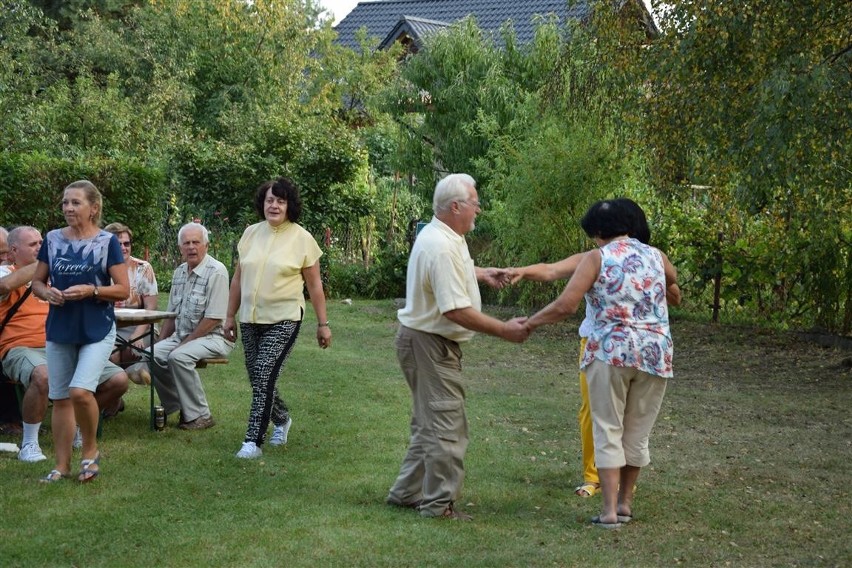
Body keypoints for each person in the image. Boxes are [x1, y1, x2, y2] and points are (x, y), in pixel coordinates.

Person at [524, 199, 681, 529]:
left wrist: (530, 323)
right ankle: (625, 504)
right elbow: (672, 279)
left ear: (597, 232)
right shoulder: (657, 255)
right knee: (636, 433)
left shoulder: (597, 258)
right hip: (654, 353)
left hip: (610, 352)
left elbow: (566, 304)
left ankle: (609, 512)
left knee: (608, 427)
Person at [386, 173, 529, 521]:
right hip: (430, 344)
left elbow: (453, 272)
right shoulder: (440, 245)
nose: (478, 210)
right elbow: (454, 309)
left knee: (429, 422)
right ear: (456, 206)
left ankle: (406, 493)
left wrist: (481, 274)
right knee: (447, 426)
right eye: (475, 204)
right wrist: (503, 330)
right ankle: (438, 506)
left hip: (422, 340)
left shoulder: (444, 235)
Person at [0, 226, 129, 463]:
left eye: (42, 242)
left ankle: (78, 422)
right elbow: (5, 286)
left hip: (62, 341)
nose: (41, 247)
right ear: (13, 251)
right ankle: (29, 443)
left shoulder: (54, 275)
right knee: (43, 375)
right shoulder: (6, 271)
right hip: (22, 347)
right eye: (34, 245)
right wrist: (44, 263)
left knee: (118, 380)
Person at [224, 177, 331, 459]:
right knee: (258, 377)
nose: (274, 205)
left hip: (284, 318)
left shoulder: (302, 238)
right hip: (250, 318)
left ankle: (252, 442)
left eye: (280, 201)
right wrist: (228, 316)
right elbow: (238, 278)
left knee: (263, 373)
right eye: (270, 200)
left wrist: (323, 324)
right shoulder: (250, 234)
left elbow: (315, 285)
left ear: (289, 205)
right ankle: (281, 419)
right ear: (263, 203)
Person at [31, 180, 130, 483]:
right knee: (60, 397)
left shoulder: (106, 242)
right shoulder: (52, 239)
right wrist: (46, 294)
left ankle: (90, 451)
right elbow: (37, 282)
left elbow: (123, 289)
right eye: (65, 202)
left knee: (79, 391)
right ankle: (61, 466)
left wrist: (92, 290)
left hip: (97, 327)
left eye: (75, 202)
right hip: (60, 327)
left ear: (94, 208)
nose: (68, 208)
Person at [150, 222, 234, 430]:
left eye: (196, 242)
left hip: (214, 337)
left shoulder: (217, 272)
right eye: (186, 243)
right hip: (183, 336)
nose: (191, 247)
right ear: (180, 248)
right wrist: (160, 343)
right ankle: (177, 406)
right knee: (152, 354)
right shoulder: (179, 273)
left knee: (179, 356)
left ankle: (201, 415)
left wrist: (184, 343)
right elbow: (171, 315)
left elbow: (214, 318)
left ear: (206, 245)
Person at [104, 222, 159, 385]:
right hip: (109, 327)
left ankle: (131, 375)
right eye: (118, 244)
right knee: (111, 353)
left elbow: (151, 308)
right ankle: (128, 379)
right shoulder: (100, 269)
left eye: (126, 243)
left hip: (140, 325)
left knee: (131, 350)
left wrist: (137, 333)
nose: (123, 248)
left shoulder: (143, 268)